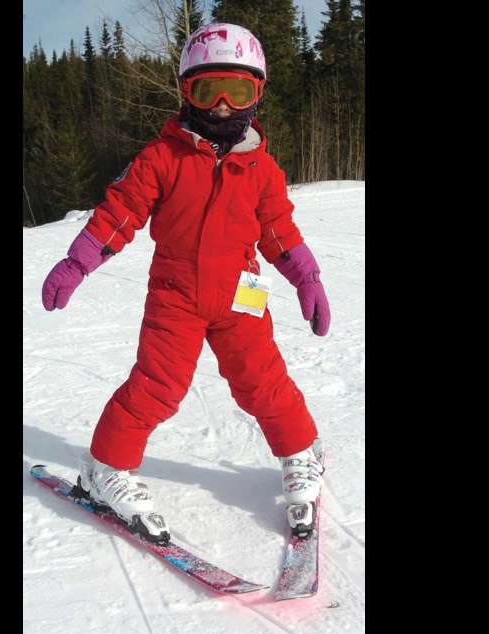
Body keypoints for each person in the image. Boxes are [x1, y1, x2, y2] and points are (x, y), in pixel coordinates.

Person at [41, 23, 329, 545]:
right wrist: (77, 261)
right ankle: (104, 468)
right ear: (186, 92)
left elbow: (279, 232)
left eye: (236, 91)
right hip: (175, 294)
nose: (221, 106)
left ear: (256, 94)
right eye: (207, 90)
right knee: (157, 386)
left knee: (262, 380)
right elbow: (119, 213)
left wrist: (307, 277)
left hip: (242, 293)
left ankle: (302, 453)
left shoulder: (263, 170)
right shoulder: (162, 158)